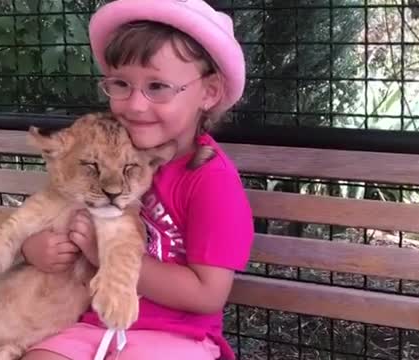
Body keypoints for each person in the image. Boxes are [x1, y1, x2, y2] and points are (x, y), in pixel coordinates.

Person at [20, 0, 254, 359]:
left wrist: (109, 256)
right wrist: (32, 247)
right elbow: (52, 213)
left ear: (208, 92)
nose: (135, 105)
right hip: (90, 325)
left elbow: (207, 294)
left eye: (157, 86)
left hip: (176, 337)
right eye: (121, 84)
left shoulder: (210, 180)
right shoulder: (103, 153)